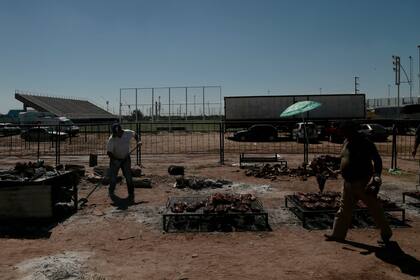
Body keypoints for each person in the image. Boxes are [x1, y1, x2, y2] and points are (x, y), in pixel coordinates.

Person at [325, 120, 392, 244]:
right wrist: (336, 167)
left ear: (351, 130)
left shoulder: (365, 143)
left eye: (343, 131)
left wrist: (376, 176)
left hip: (363, 182)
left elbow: (377, 160)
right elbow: (345, 158)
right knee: (344, 209)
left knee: (374, 208)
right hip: (348, 182)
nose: (341, 134)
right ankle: (337, 234)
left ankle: (386, 233)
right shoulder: (346, 142)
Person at [106, 123, 140, 204]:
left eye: (116, 133)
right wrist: (115, 161)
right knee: (113, 177)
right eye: (114, 133)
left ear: (120, 131)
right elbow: (109, 153)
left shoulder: (127, 133)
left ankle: (131, 193)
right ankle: (111, 192)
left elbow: (134, 134)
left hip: (125, 159)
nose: (115, 135)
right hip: (115, 159)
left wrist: (139, 141)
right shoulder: (112, 139)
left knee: (128, 176)